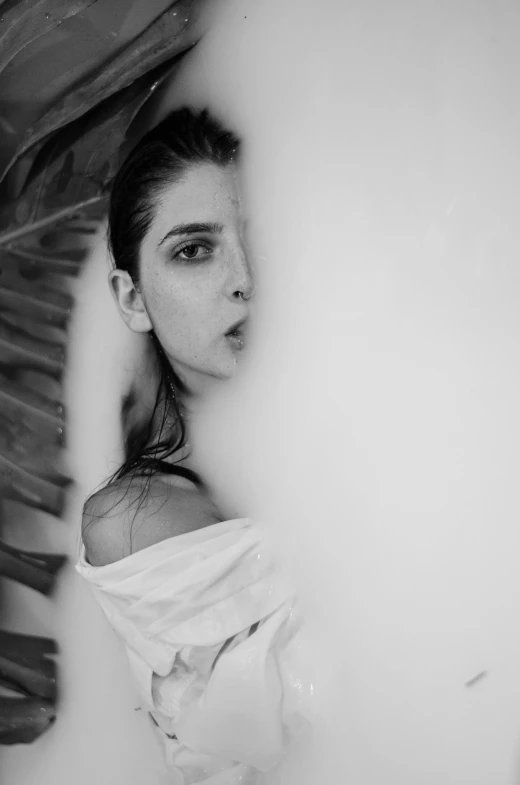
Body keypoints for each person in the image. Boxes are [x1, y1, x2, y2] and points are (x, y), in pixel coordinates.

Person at [75, 108, 308, 784]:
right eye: (194, 250)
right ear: (132, 298)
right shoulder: (137, 521)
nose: (245, 277)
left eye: (258, 238)